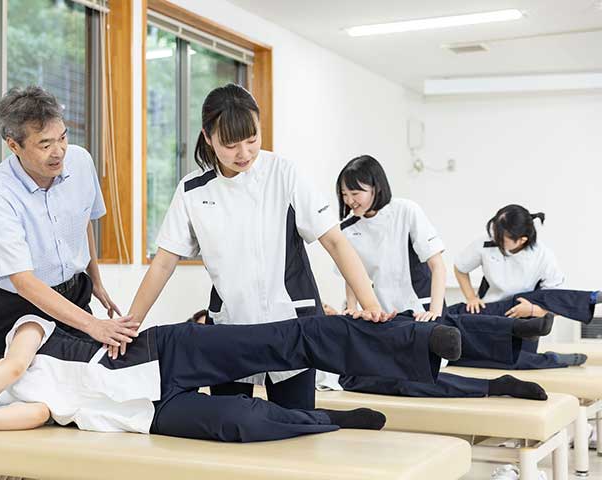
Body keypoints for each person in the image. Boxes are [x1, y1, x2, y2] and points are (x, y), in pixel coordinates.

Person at [126, 84, 394, 411]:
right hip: (230, 330)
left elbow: (335, 241)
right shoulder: (192, 190)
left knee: (298, 425)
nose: (244, 153)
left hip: (291, 325)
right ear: (207, 137)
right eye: (230, 144)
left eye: (252, 139)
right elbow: (164, 263)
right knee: (231, 428)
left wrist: (370, 305)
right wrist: (130, 326)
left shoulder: (283, 173)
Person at [0, 314, 462, 446]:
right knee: (240, 423)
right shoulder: (13, 400)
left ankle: (417, 341)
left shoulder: (22, 334)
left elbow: (13, 367)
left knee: (283, 341)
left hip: (165, 354)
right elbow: (37, 414)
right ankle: (329, 418)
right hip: (143, 414)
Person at [318, 156, 549, 400]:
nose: (349, 201)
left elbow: (437, 265)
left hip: (420, 309)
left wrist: (435, 311)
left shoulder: (405, 211)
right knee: (428, 353)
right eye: (344, 194)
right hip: (384, 318)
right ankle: (510, 346)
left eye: (355, 193)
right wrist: (352, 309)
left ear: (376, 187)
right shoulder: (348, 228)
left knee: (452, 325)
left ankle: (517, 330)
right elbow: (352, 275)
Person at [0, 86, 135, 360]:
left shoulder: (80, 161)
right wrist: (93, 325)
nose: (58, 151)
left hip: (74, 295)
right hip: (20, 305)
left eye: (62, 137)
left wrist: (96, 282)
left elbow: (82, 222)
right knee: (11, 381)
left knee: (90, 373)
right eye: (45, 144)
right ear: (13, 145)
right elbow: (24, 282)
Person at [452, 204, 602, 369]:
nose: (495, 238)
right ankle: (554, 357)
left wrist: (532, 311)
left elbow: (557, 303)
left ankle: (591, 298)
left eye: (501, 237)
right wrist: (471, 297)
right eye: (495, 231)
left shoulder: (542, 256)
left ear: (522, 240)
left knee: (534, 298)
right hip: (490, 310)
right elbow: (460, 268)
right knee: (497, 356)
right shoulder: (485, 241)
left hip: (525, 319)